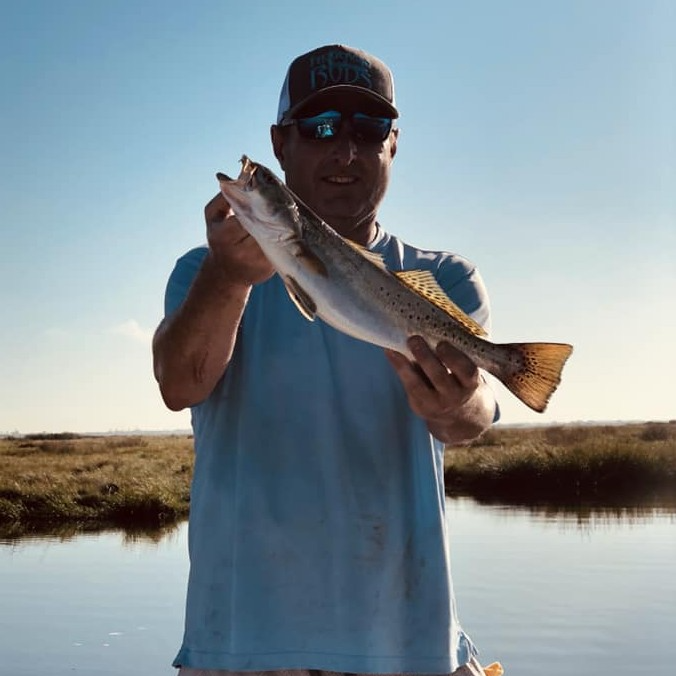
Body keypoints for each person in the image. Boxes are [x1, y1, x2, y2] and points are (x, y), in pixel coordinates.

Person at [153, 44, 500, 676]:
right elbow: (180, 385)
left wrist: (462, 402)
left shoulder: (445, 277)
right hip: (241, 646)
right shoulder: (202, 272)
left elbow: (472, 420)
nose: (344, 151)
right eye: (319, 128)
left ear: (393, 146)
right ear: (280, 144)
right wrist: (229, 278)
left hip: (407, 643)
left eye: (369, 130)